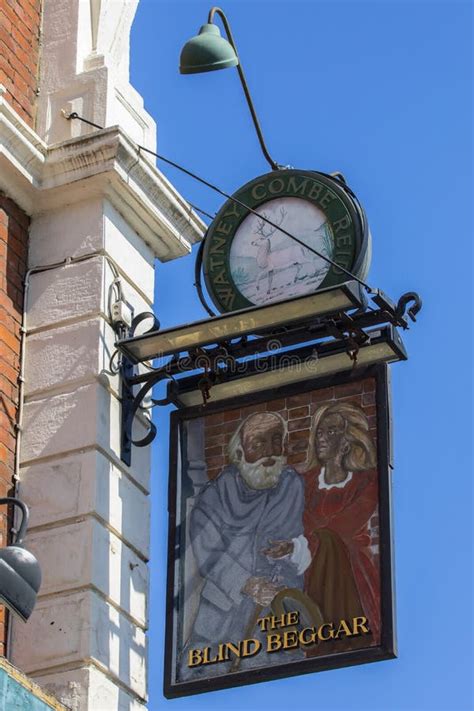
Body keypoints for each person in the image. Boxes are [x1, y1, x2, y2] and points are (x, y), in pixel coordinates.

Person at [179, 411, 310, 679]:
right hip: (222, 614)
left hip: (276, 614)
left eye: (276, 441)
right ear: (240, 452)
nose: (269, 452)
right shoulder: (215, 494)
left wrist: (291, 548)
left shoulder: (291, 485)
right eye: (257, 444)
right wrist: (248, 583)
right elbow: (209, 552)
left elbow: (302, 537)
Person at [266, 401, 381, 650]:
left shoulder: (366, 482)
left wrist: (299, 544)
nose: (321, 438)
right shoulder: (303, 483)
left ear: (347, 442)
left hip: (351, 574)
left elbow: (345, 526)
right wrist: (287, 547)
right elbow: (291, 521)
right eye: (319, 431)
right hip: (307, 573)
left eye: (331, 432)